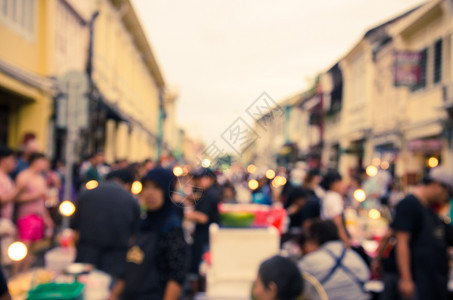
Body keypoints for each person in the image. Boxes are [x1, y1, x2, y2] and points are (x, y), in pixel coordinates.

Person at [110, 167, 187, 300]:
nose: (150, 193)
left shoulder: (172, 228)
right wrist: (114, 294)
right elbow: (131, 265)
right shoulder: (142, 222)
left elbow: (176, 277)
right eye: (146, 187)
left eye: (157, 187)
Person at [391, 166, 453, 300]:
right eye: (446, 193)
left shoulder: (429, 208)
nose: (446, 198)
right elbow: (402, 242)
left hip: (432, 279)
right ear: (437, 186)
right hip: (419, 279)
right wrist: (406, 279)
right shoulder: (410, 204)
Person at [71, 168, 140, 281]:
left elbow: (75, 232)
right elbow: (134, 237)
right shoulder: (130, 200)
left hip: (85, 256)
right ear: (128, 185)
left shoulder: (86, 194)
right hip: (116, 261)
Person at [298, 220, 369, 300]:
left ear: (315, 238)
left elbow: (293, 284)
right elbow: (365, 278)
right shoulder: (355, 257)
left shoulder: (309, 261)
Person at [14, 153, 54, 274]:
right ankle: (14, 275)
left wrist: (47, 217)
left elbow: (43, 200)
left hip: (39, 215)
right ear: (36, 161)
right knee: (22, 248)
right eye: (43, 161)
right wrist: (35, 195)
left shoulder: (41, 178)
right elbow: (16, 198)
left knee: (31, 250)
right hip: (26, 215)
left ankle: (24, 274)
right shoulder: (23, 176)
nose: (45, 165)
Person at [185, 168, 221, 294]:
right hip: (209, 237)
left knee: (200, 270)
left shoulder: (209, 193)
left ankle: (198, 294)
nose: (199, 182)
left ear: (210, 179)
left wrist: (185, 214)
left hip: (204, 238)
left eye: (202, 179)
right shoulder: (214, 192)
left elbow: (204, 217)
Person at [320, 171, 350, 248]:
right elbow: (337, 222)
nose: (343, 185)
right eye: (340, 182)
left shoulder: (327, 195)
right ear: (333, 183)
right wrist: (346, 241)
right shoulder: (334, 197)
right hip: (333, 238)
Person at [0, 146, 17, 265]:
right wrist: (19, 189)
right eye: (12, 159)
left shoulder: (7, 177)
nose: (14, 163)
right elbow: (3, 199)